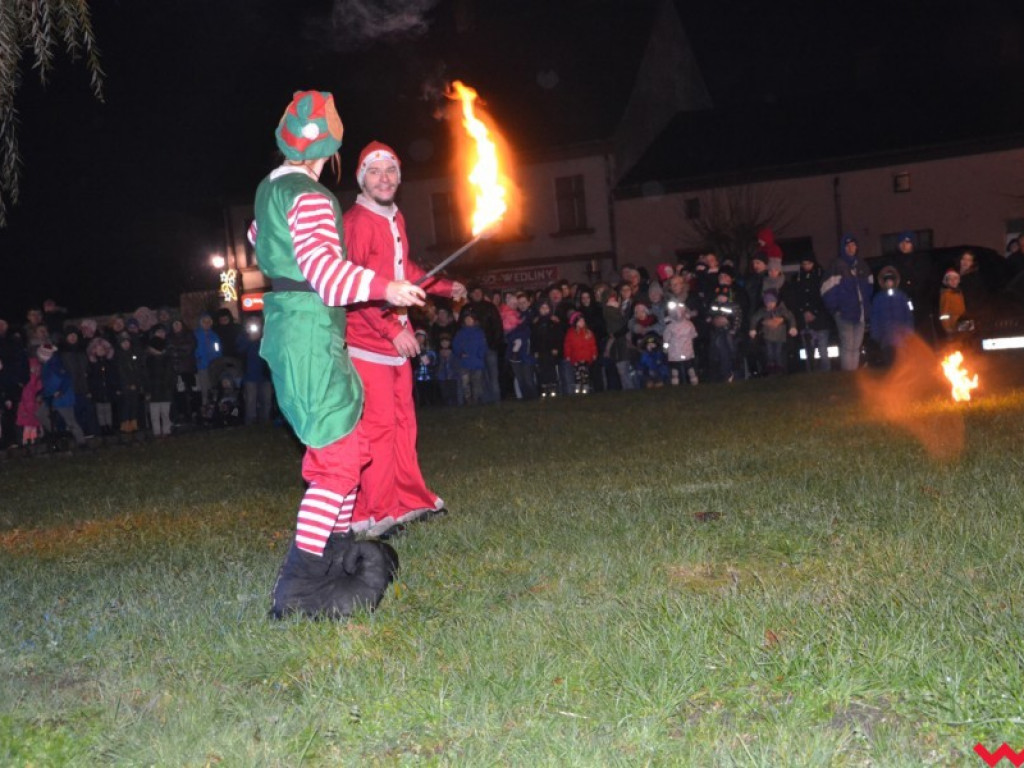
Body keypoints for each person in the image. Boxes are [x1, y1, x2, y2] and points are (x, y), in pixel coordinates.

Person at [249, 90, 425, 619]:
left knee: (351, 440)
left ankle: (335, 550)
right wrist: (386, 287)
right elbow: (325, 272)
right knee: (338, 464)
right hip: (308, 337)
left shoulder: (269, 189)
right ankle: (300, 584)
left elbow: (260, 238)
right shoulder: (311, 195)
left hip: (302, 332)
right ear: (334, 148)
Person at [341, 140, 464, 536]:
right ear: (362, 179)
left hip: (395, 342)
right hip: (367, 342)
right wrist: (391, 329)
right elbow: (353, 287)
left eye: (390, 170)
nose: (384, 178)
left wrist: (447, 287)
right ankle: (373, 513)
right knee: (377, 429)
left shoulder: (395, 217)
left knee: (403, 424)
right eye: (374, 171)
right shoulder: (357, 223)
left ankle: (408, 499)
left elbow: (405, 270)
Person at [821, 234, 873, 371]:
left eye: (853, 245)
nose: (851, 248)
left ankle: (853, 374)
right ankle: (847, 375)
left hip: (860, 312)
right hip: (844, 313)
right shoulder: (837, 266)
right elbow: (826, 289)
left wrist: (866, 306)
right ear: (843, 248)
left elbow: (869, 287)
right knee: (847, 345)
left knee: (856, 346)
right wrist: (836, 308)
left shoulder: (862, 265)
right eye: (848, 246)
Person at [789, 254, 831, 371]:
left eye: (809, 263)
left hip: (821, 320)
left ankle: (826, 373)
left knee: (823, 349)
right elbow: (795, 298)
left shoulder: (822, 276)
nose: (806, 266)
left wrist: (814, 312)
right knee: (808, 350)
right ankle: (811, 373)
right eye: (804, 264)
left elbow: (825, 296)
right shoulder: (797, 278)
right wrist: (803, 312)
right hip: (804, 320)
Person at [868, 266, 914, 367]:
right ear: (883, 282)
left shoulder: (902, 297)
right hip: (886, 337)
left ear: (895, 281)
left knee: (901, 361)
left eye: (891, 281)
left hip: (901, 337)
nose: (889, 283)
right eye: (887, 281)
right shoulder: (878, 298)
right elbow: (874, 318)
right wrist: (876, 334)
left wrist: (908, 331)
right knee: (889, 360)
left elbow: (908, 315)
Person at [748, 290, 798, 374]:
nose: (770, 304)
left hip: (780, 336)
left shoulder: (781, 310)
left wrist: (793, 327)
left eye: (772, 301)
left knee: (778, 352)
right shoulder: (762, 311)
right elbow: (754, 319)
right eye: (767, 302)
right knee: (769, 352)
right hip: (768, 336)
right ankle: (770, 368)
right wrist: (753, 329)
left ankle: (780, 369)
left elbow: (790, 317)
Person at [453, 308, 487, 404]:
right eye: (466, 319)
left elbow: (483, 345)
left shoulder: (479, 332)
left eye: (470, 319)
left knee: (477, 382)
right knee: (465, 382)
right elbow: (456, 345)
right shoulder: (460, 333)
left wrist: (480, 355)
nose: (468, 321)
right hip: (465, 362)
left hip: (477, 361)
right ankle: (468, 400)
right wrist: (460, 353)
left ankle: (477, 399)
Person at [563, 311, 598, 394]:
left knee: (585, 374)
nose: (582, 322)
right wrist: (567, 355)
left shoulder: (588, 332)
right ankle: (579, 389)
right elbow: (567, 345)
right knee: (578, 374)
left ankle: (585, 389)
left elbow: (593, 345)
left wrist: (594, 354)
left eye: (583, 320)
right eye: (580, 321)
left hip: (586, 357)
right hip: (576, 358)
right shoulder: (571, 333)